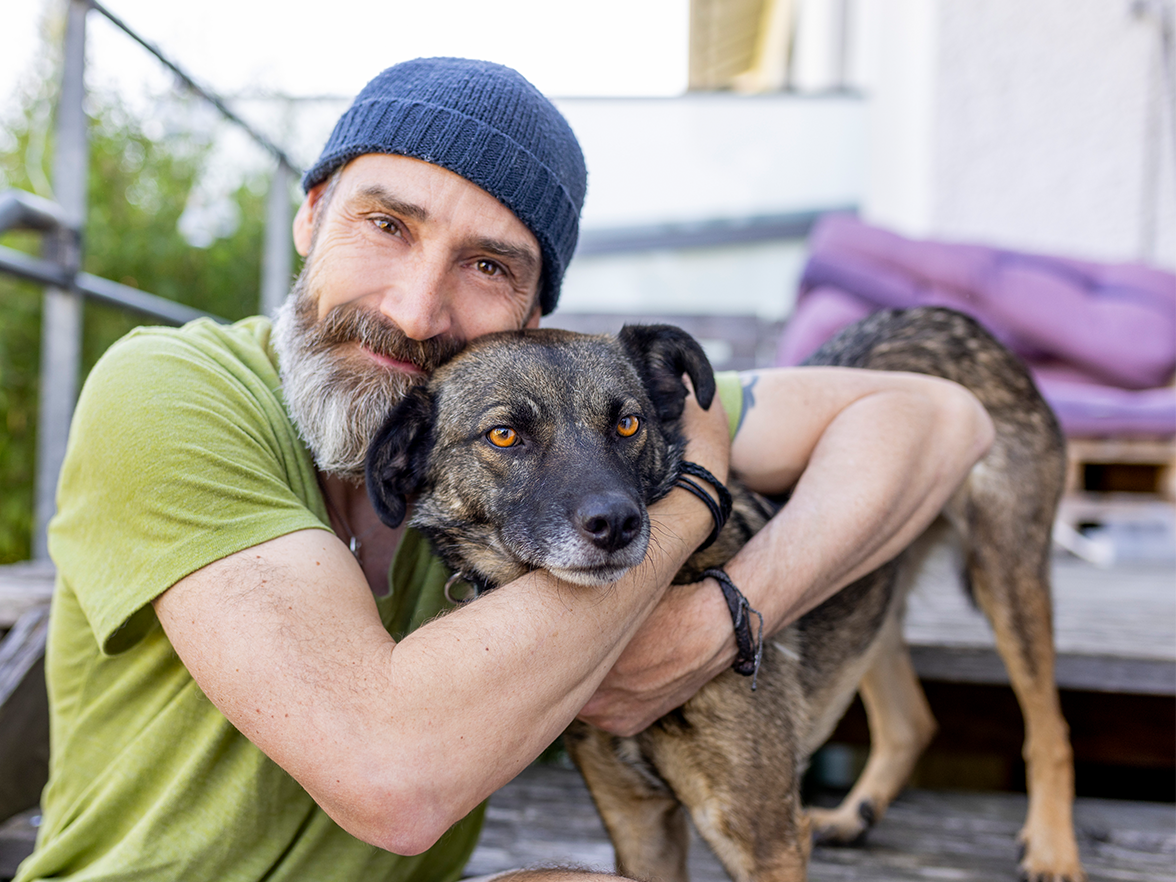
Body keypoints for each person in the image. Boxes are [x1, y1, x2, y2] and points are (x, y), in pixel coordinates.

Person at [16, 58, 993, 882]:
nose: (414, 310)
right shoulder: (169, 387)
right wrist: (694, 501)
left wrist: (729, 612)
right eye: (386, 225)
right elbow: (390, 780)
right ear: (312, 215)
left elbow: (939, 417)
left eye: (488, 267)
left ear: (533, 316)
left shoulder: (538, 409)